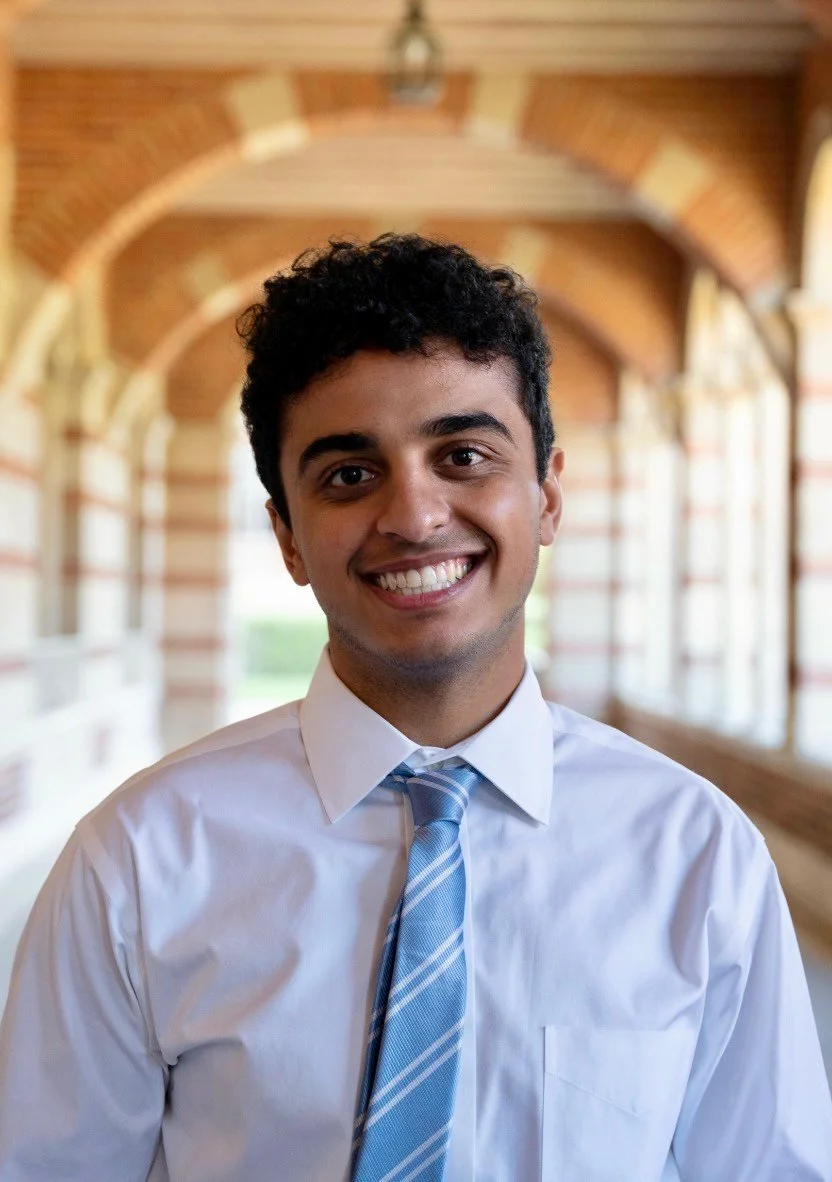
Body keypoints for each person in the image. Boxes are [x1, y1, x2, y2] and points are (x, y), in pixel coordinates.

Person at [0, 234, 830, 1182]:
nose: (415, 514)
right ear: (287, 537)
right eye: (350, 475)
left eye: (465, 455)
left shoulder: (696, 857)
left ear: (548, 494)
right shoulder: (138, 866)